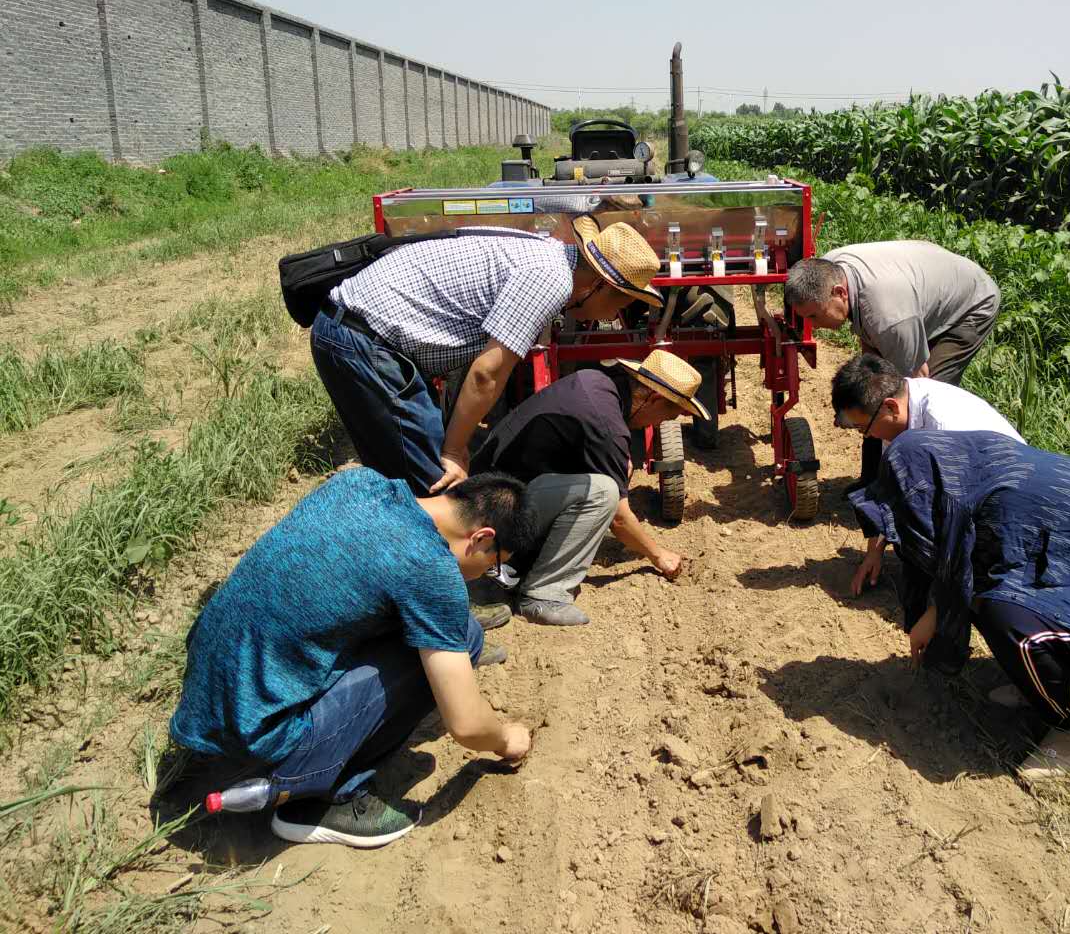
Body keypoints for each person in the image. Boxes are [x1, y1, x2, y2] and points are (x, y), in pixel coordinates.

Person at [164, 468, 540, 848]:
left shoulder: (360, 483)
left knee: (458, 630)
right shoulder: (429, 566)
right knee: (461, 638)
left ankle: (315, 755)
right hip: (256, 737)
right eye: (493, 566)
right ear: (481, 538)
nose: (481, 577)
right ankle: (327, 798)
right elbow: (467, 726)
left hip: (205, 696)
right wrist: (507, 739)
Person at [849, 430, 1070, 780]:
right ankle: (1040, 686)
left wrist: (942, 616)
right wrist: (936, 610)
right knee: (985, 592)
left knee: (1002, 612)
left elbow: (970, 580)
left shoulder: (994, 501)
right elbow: (970, 566)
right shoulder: (980, 470)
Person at [310, 214, 664, 499]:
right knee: (434, 482)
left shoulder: (544, 252)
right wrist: (453, 449)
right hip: (363, 341)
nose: (609, 317)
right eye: (621, 303)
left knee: (406, 469)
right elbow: (486, 375)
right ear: (600, 285)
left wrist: (454, 440)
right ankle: (426, 574)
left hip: (360, 332)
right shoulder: (551, 278)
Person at [470, 349, 708, 626]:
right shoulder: (608, 426)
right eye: (664, 417)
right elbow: (620, 519)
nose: (657, 424)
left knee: (607, 479)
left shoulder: (594, 382)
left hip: (487, 492)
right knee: (604, 492)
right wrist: (659, 555)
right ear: (653, 398)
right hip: (493, 516)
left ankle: (522, 558)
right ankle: (543, 595)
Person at [784, 241, 1000, 487]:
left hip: (970, 305)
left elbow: (915, 385)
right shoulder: (830, 268)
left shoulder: (889, 319)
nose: (813, 324)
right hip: (922, 291)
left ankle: (917, 485)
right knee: (873, 392)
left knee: (918, 400)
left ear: (840, 293)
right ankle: (872, 479)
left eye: (814, 315)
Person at [831, 352, 1023, 597]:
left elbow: (957, 511)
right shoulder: (900, 407)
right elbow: (889, 486)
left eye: (863, 428)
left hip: (1009, 502)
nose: (867, 436)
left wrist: (940, 600)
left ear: (890, 407)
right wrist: (874, 552)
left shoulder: (942, 425)